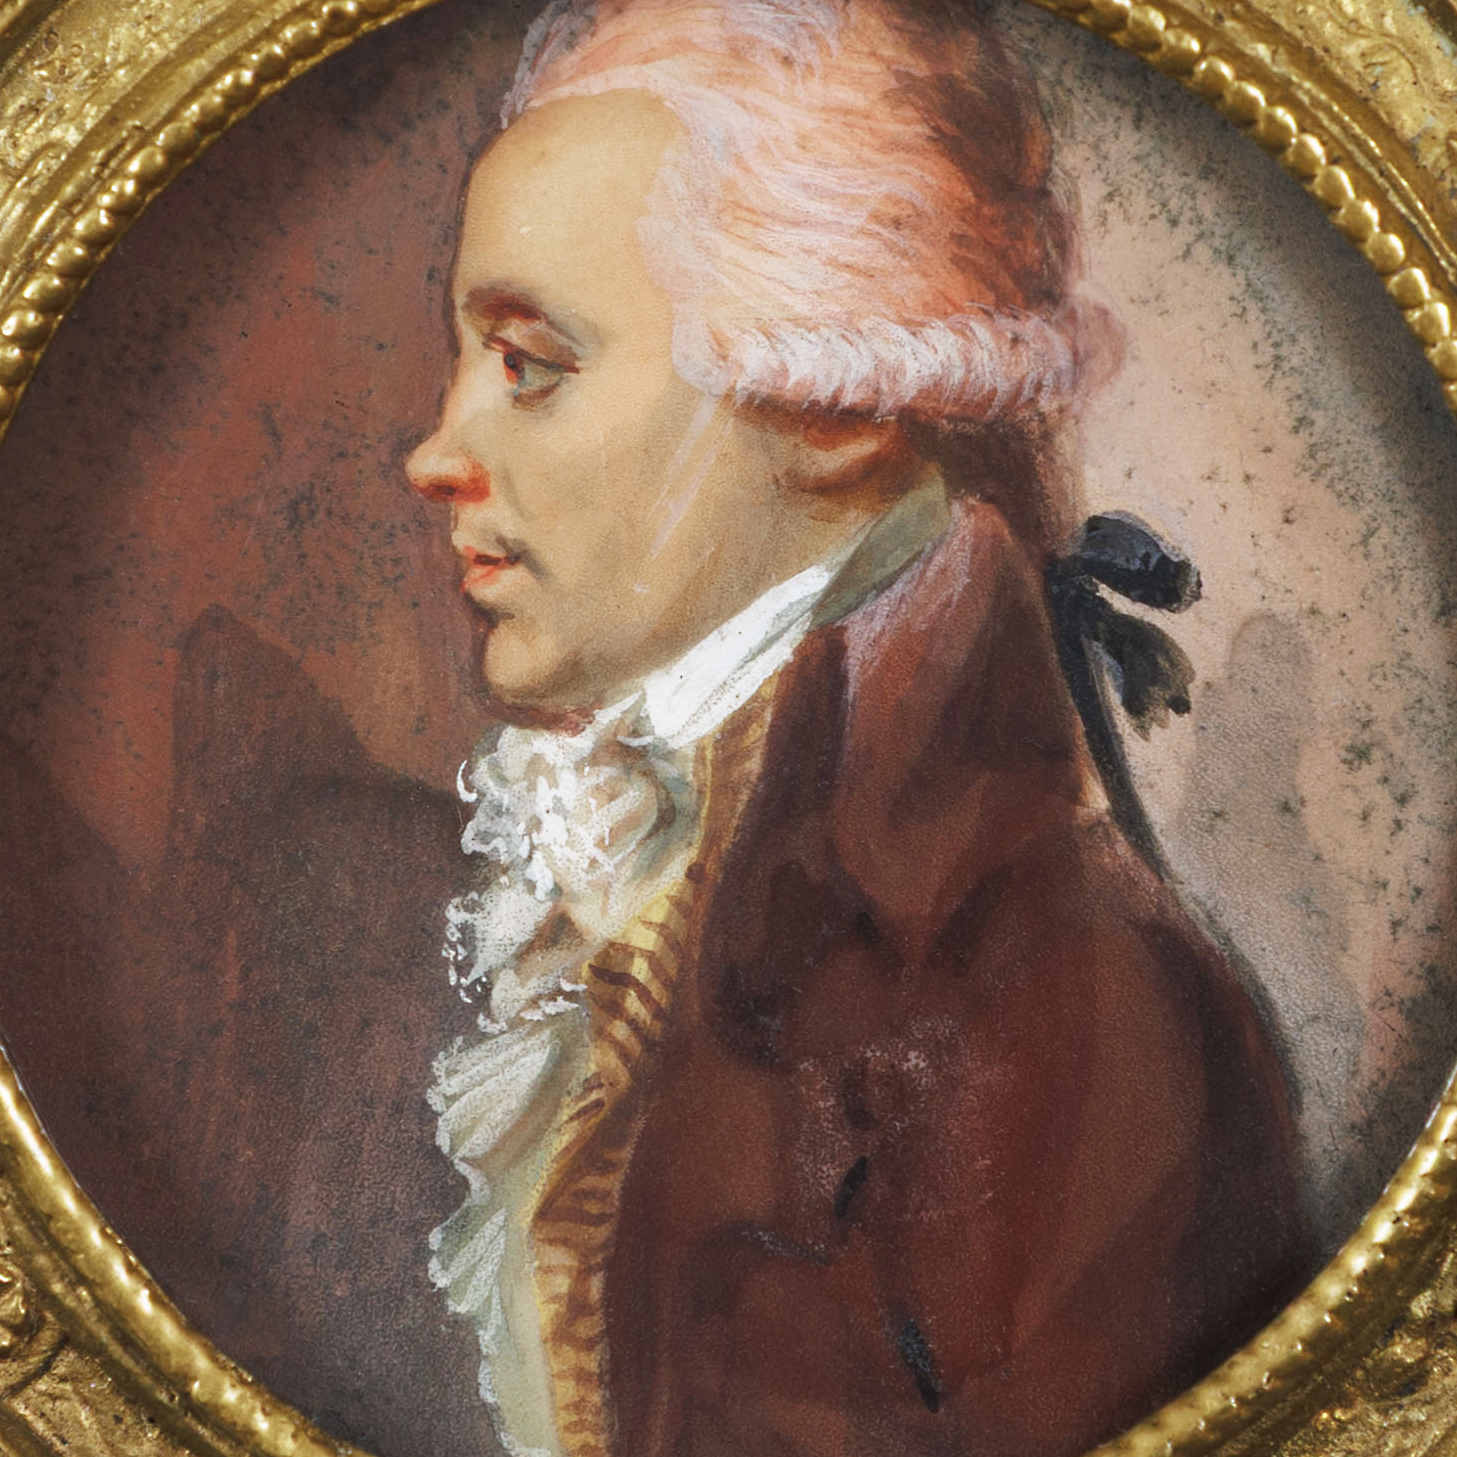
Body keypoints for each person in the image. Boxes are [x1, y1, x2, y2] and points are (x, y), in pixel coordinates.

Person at [401, 3, 1308, 1457]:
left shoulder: (1065, 989)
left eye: (530, 364)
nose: (435, 453)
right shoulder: (658, 847)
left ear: (834, 402)